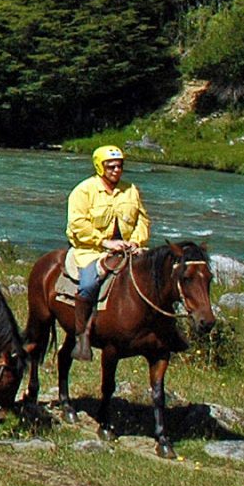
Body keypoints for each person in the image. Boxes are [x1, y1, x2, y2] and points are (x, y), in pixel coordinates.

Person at [66, 143, 150, 355]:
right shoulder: (83, 191)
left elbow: (142, 220)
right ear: (100, 166)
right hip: (92, 250)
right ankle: (81, 335)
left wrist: (136, 241)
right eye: (111, 166)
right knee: (88, 284)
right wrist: (104, 242)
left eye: (119, 166)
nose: (116, 170)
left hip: (128, 249)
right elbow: (78, 224)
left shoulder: (131, 190)